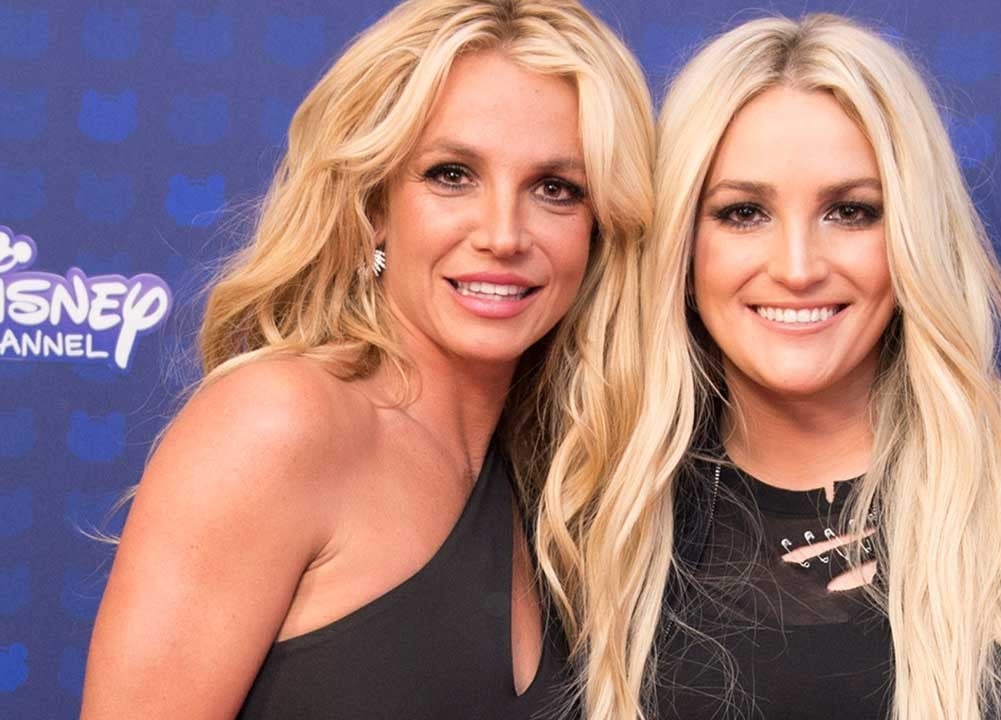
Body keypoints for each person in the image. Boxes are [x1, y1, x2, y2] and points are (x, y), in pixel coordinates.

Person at [535, 14, 1001, 720]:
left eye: (851, 211)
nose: (797, 267)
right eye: (743, 213)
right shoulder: (601, 513)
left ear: (913, 237)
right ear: (680, 245)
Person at [80, 1, 652, 717]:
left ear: (600, 228)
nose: (503, 234)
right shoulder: (279, 423)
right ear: (374, 205)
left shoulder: (563, 481)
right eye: (452, 174)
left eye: (555, 190)